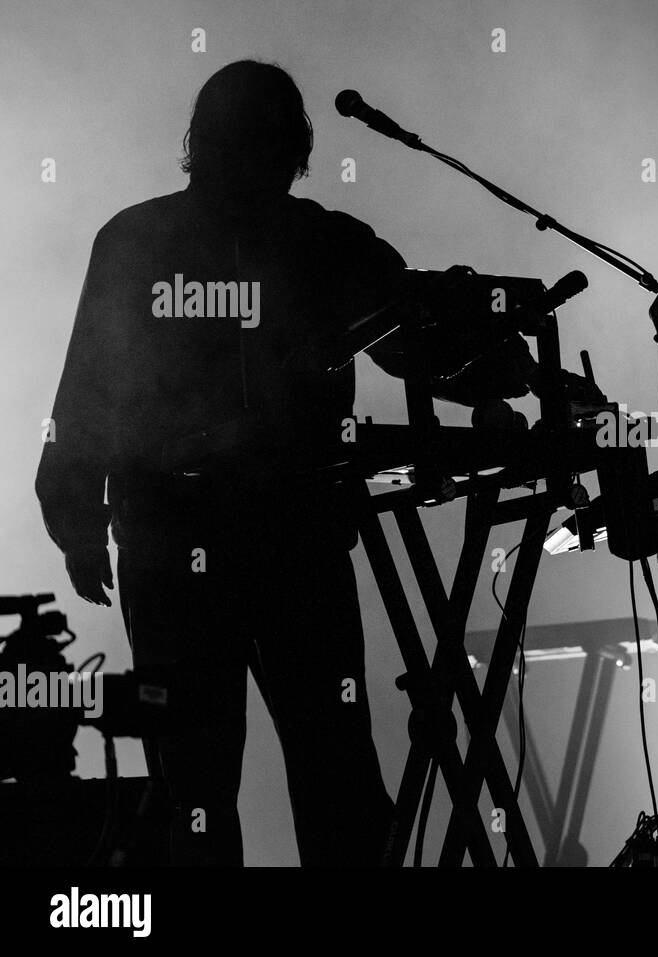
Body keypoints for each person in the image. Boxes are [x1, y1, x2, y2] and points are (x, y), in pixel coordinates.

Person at [33, 60, 501, 865]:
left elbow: (83, 398)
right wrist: (503, 379)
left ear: (199, 141)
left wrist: (78, 519)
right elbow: (418, 343)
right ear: (296, 148)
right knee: (330, 775)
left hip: (179, 545)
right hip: (292, 540)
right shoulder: (322, 241)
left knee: (198, 791)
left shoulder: (138, 239)